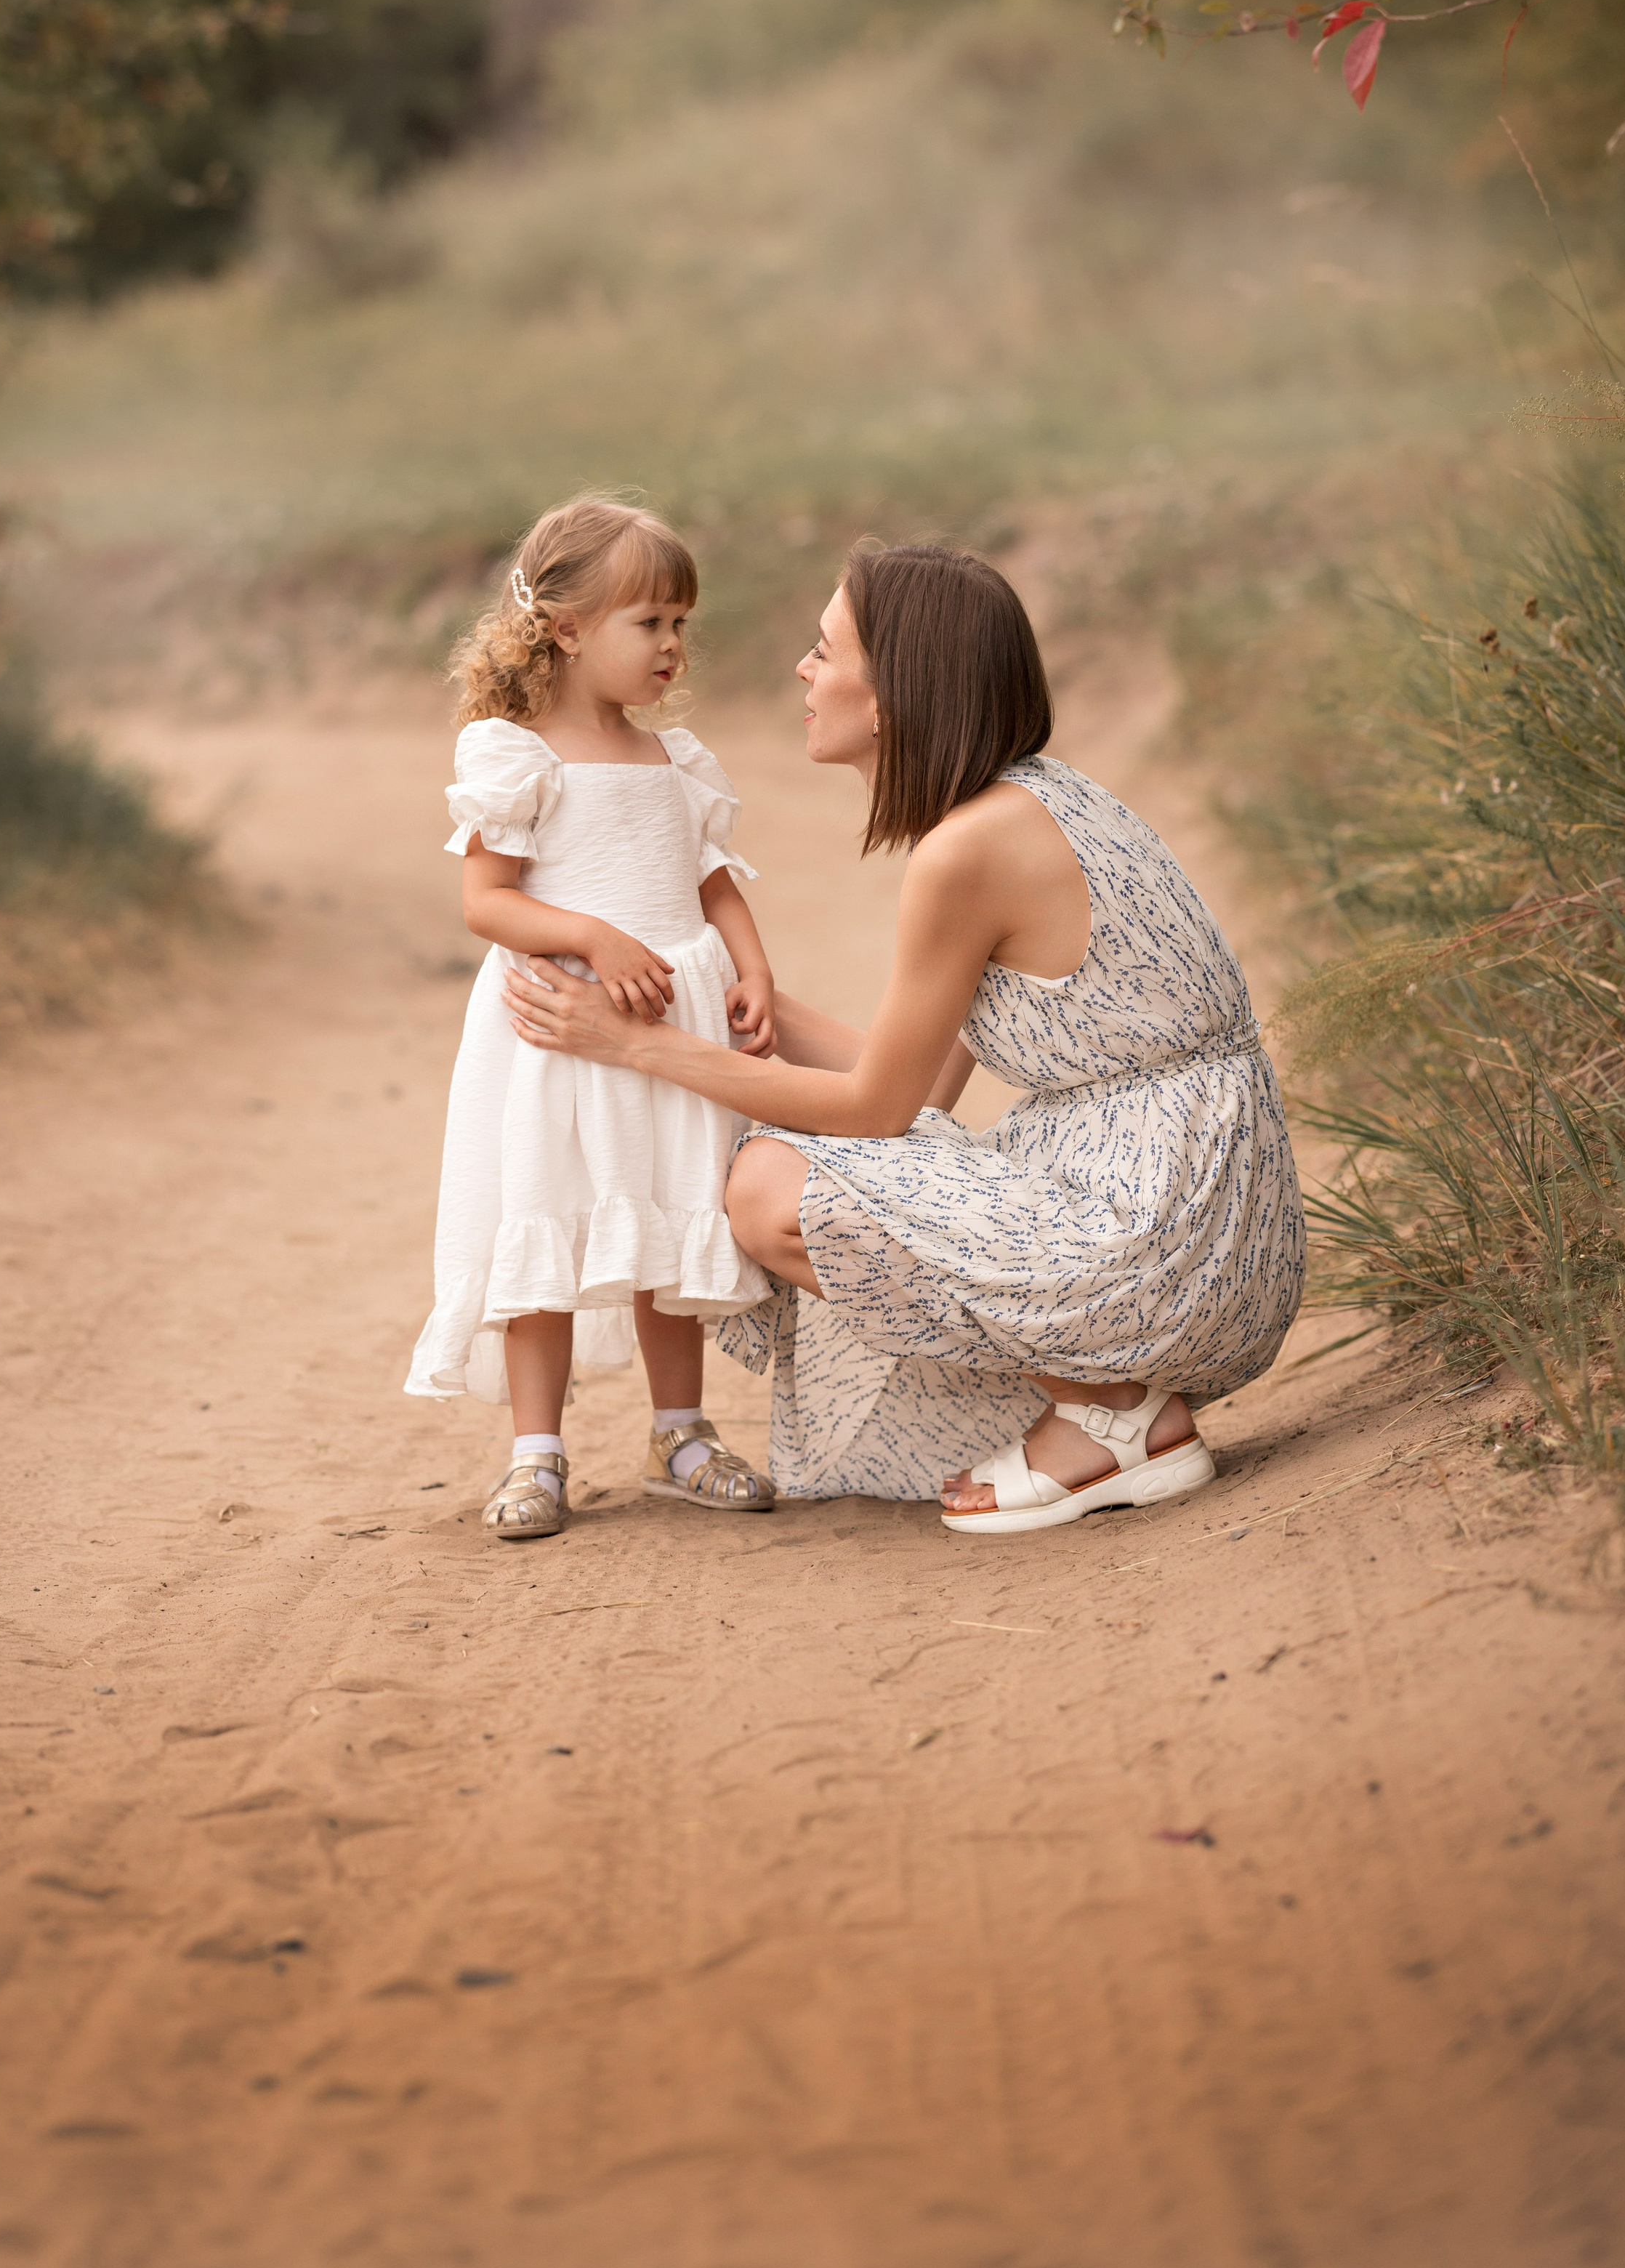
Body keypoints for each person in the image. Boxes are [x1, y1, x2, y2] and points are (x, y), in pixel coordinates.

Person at [501, 541, 1307, 1535]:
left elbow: (879, 1112)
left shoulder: (971, 849)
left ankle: (1115, 1413)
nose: (802, 669)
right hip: (1200, 1205)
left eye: (825, 649)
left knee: (767, 1186)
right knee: (834, 1170)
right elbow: (920, 1092)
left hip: (1173, 1224)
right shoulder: (1019, 804)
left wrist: (636, 1047)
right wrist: (741, 1002)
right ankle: (1100, 1399)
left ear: (890, 696)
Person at [406, 497, 778, 1539]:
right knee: (550, 1213)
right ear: (565, 627)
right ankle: (537, 1451)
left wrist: (752, 971)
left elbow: (715, 881)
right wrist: (594, 935)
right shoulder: (518, 755)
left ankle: (681, 1434)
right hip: (560, 1026)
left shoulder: (675, 760)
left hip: (668, 1023)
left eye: (679, 624)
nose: (671, 647)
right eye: (648, 622)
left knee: (665, 1212)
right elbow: (488, 902)